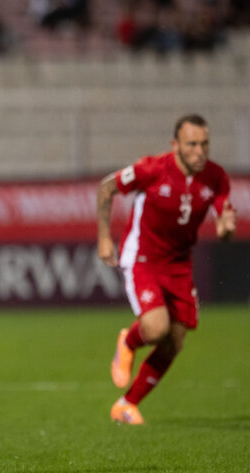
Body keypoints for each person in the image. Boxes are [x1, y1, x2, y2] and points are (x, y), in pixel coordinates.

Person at [96, 114, 236, 425]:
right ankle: (129, 341)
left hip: (179, 264)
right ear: (175, 145)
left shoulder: (216, 178)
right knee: (157, 328)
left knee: (174, 340)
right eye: (191, 144)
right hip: (143, 256)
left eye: (204, 144)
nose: (199, 151)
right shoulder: (153, 169)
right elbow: (106, 188)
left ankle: (126, 405)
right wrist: (104, 238)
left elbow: (225, 223)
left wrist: (226, 228)